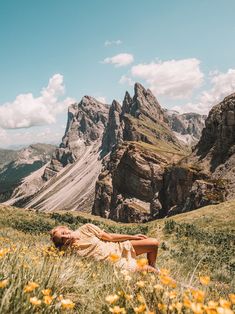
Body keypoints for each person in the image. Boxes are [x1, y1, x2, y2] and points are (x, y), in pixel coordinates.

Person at [50, 223, 159, 272]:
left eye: (64, 232)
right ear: (62, 244)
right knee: (150, 271)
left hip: (118, 247)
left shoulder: (86, 228)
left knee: (154, 243)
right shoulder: (69, 251)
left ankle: (153, 264)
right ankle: (156, 273)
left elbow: (110, 237)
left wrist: (133, 237)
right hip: (115, 262)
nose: (66, 236)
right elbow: (53, 256)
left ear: (66, 228)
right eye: (62, 238)